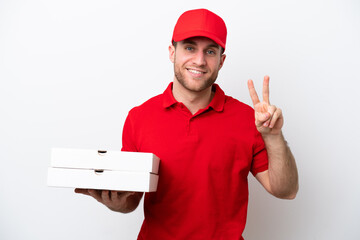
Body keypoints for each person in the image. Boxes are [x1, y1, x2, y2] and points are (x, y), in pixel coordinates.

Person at [75, 8, 298, 239]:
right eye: (190, 48)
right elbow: (131, 200)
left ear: (221, 61)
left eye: (210, 51)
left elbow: (286, 191)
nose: (199, 61)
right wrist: (116, 203)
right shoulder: (139, 117)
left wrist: (273, 136)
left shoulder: (247, 118)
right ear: (172, 52)